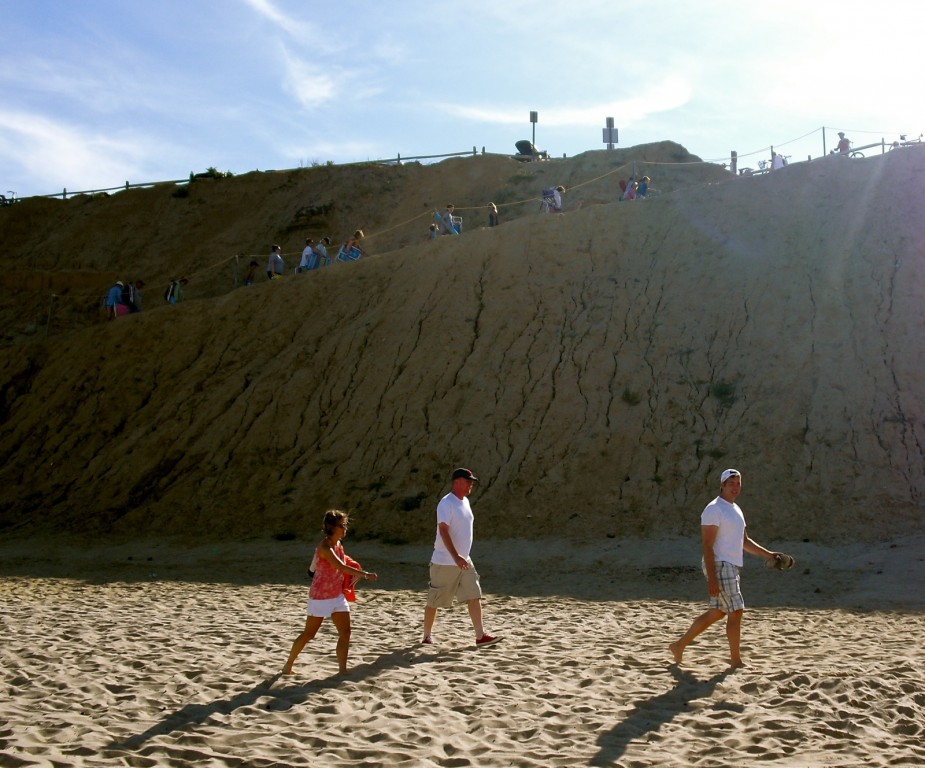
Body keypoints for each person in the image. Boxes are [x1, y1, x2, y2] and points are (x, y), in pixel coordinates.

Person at [669, 469, 784, 670]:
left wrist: (769, 555)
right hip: (719, 564)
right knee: (737, 610)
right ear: (722, 485)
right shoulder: (714, 509)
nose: (735, 487)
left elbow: (745, 542)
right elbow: (707, 544)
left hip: (729, 566)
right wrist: (711, 578)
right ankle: (736, 661)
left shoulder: (736, 509)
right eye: (731, 483)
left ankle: (679, 646)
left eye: (738, 483)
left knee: (717, 612)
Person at [282, 510, 378, 676]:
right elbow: (339, 565)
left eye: (345, 524)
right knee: (309, 634)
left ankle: (342, 670)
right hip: (320, 597)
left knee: (346, 632)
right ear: (332, 527)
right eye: (342, 525)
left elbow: (343, 561)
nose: (345, 528)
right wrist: (364, 574)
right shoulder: (324, 547)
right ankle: (288, 665)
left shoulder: (338, 544)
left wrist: (354, 565)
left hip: (336, 596)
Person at [422, 467, 501, 648]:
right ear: (457, 481)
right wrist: (455, 556)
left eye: (471, 482)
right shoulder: (446, 503)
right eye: (467, 481)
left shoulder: (464, 501)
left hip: (464, 560)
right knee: (434, 600)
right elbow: (443, 530)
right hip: (445, 561)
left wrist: (461, 557)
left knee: (474, 594)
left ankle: (480, 636)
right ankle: (426, 636)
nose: (470, 485)